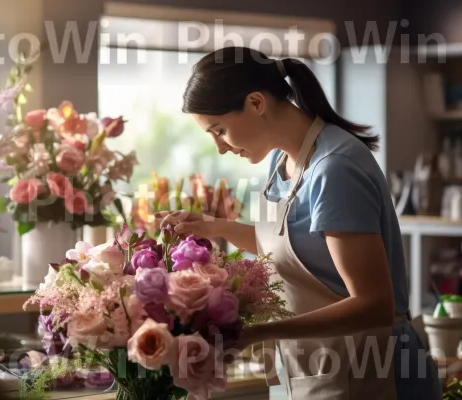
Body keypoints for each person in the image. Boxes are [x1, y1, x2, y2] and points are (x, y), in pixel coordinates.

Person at [158, 46, 442, 400]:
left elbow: (374, 304)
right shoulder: (281, 160)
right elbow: (297, 248)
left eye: (220, 130)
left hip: (373, 370)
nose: (220, 148)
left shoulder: (335, 169)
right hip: (314, 366)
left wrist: (258, 332)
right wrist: (216, 227)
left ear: (256, 103)